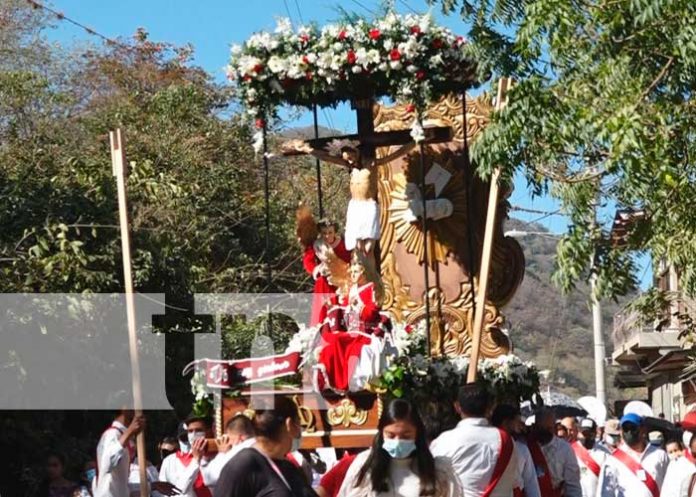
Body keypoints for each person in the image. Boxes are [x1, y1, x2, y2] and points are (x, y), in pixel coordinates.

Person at [338, 397, 462, 497]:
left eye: (406, 436)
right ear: (381, 433)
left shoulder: (439, 470)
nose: (398, 441)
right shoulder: (364, 466)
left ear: (417, 434)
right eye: (391, 435)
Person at [213, 395, 317, 497]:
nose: (301, 429)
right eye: (299, 421)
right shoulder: (242, 464)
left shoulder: (287, 467)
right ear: (289, 425)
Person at [431, 384, 518, 497]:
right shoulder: (507, 441)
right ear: (489, 408)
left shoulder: (443, 442)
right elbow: (515, 481)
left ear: (457, 407)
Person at [597, 412, 669, 497]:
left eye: (633, 428)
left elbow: (669, 486)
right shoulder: (612, 461)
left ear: (643, 430)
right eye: (626, 429)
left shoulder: (660, 455)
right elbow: (605, 493)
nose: (629, 432)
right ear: (621, 432)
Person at [527, 408, 582, 497]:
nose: (545, 432)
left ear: (554, 427)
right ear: (535, 426)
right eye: (541, 428)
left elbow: (573, 485)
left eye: (549, 428)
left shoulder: (565, 449)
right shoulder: (526, 446)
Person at [491, 404, 541, 497]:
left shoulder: (521, 449)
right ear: (506, 422)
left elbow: (530, 483)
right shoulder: (489, 447)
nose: (520, 427)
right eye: (517, 422)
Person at [93, 408, 145, 497]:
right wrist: (129, 432)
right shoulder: (112, 434)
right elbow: (108, 462)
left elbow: (121, 485)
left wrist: (152, 486)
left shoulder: (123, 436)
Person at [160, 415, 214, 497]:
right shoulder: (185, 460)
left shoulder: (218, 455)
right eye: (190, 431)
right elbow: (181, 489)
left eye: (198, 430)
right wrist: (196, 460)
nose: (194, 435)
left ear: (209, 431)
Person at [203, 414, 256, 488]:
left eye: (230, 439)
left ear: (239, 438)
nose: (229, 443)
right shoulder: (264, 445)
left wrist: (222, 453)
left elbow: (209, 479)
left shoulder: (240, 450)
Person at [572, 418, 607, 497]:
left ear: (595, 433)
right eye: (584, 434)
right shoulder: (571, 450)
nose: (586, 437)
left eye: (589, 434)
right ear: (579, 433)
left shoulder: (604, 453)